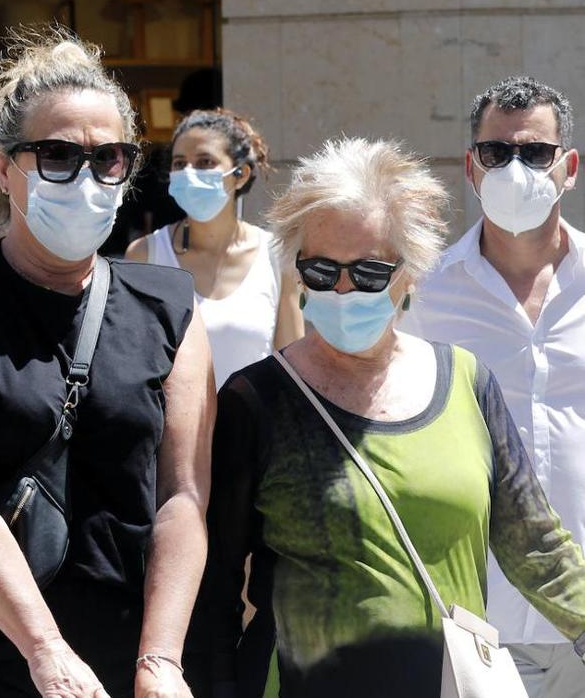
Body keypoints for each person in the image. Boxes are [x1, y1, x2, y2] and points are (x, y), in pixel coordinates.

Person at [186, 137, 585, 698]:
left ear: (411, 274)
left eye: (369, 273)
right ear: (297, 275)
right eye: (322, 271)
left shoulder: (468, 382)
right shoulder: (256, 400)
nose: (344, 291)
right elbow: (216, 580)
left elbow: (536, 547)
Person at [0, 30, 215, 698]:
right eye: (58, 155)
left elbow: (183, 496)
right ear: (5, 169)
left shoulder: (168, 304)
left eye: (109, 158)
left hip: (133, 656)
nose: (86, 177)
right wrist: (45, 649)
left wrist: (161, 659)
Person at [399, 76, 585, 697]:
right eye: (497, 153)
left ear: (569, 169)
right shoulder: (424, 293)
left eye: (534, 154)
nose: (515, 168)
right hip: (482, 623)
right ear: (473, 170)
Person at [126, 109, 303, 386]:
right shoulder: (144, 255)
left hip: (253, 428)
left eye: (205, 161)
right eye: (179, 163)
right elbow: (135, 365)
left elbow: (293, 371)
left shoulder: (276, 255)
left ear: (240, 174)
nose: (189, 173)